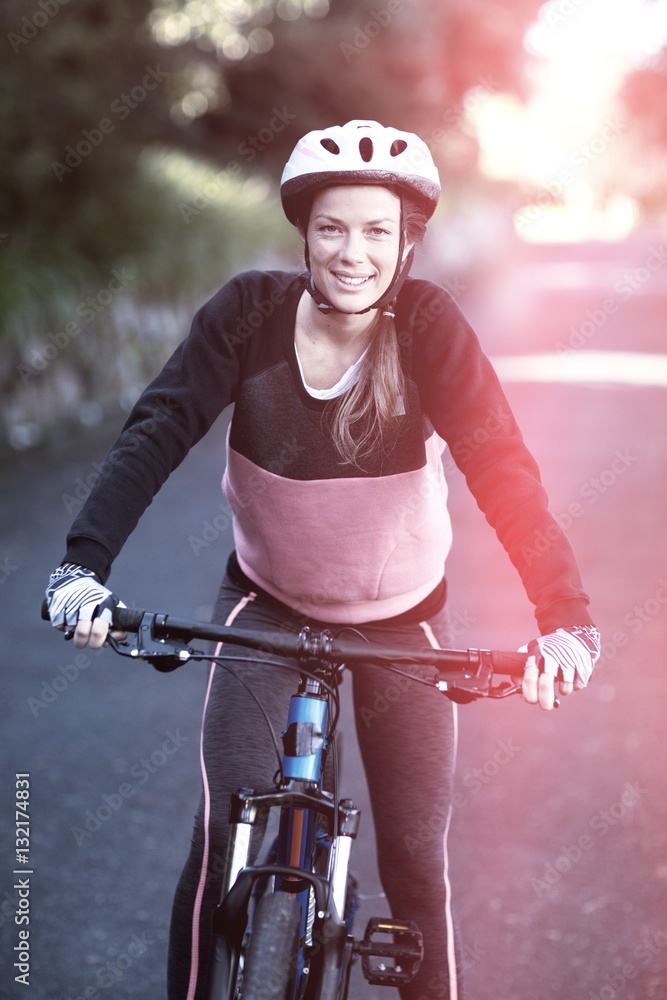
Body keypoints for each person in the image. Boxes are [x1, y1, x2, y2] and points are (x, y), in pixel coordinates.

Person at [46, 120, 600, 1000]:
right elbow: (157, 429)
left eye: (377, 230)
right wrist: (83, 566)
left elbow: (502, 468)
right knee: (221, 834)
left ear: (406, 240)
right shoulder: (249, 313)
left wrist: (563, 620)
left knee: (416, 861)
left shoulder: (427, 326)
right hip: (266, 606)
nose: (352, 251)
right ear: (305, 233)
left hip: (404, 619)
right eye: (333, 228)